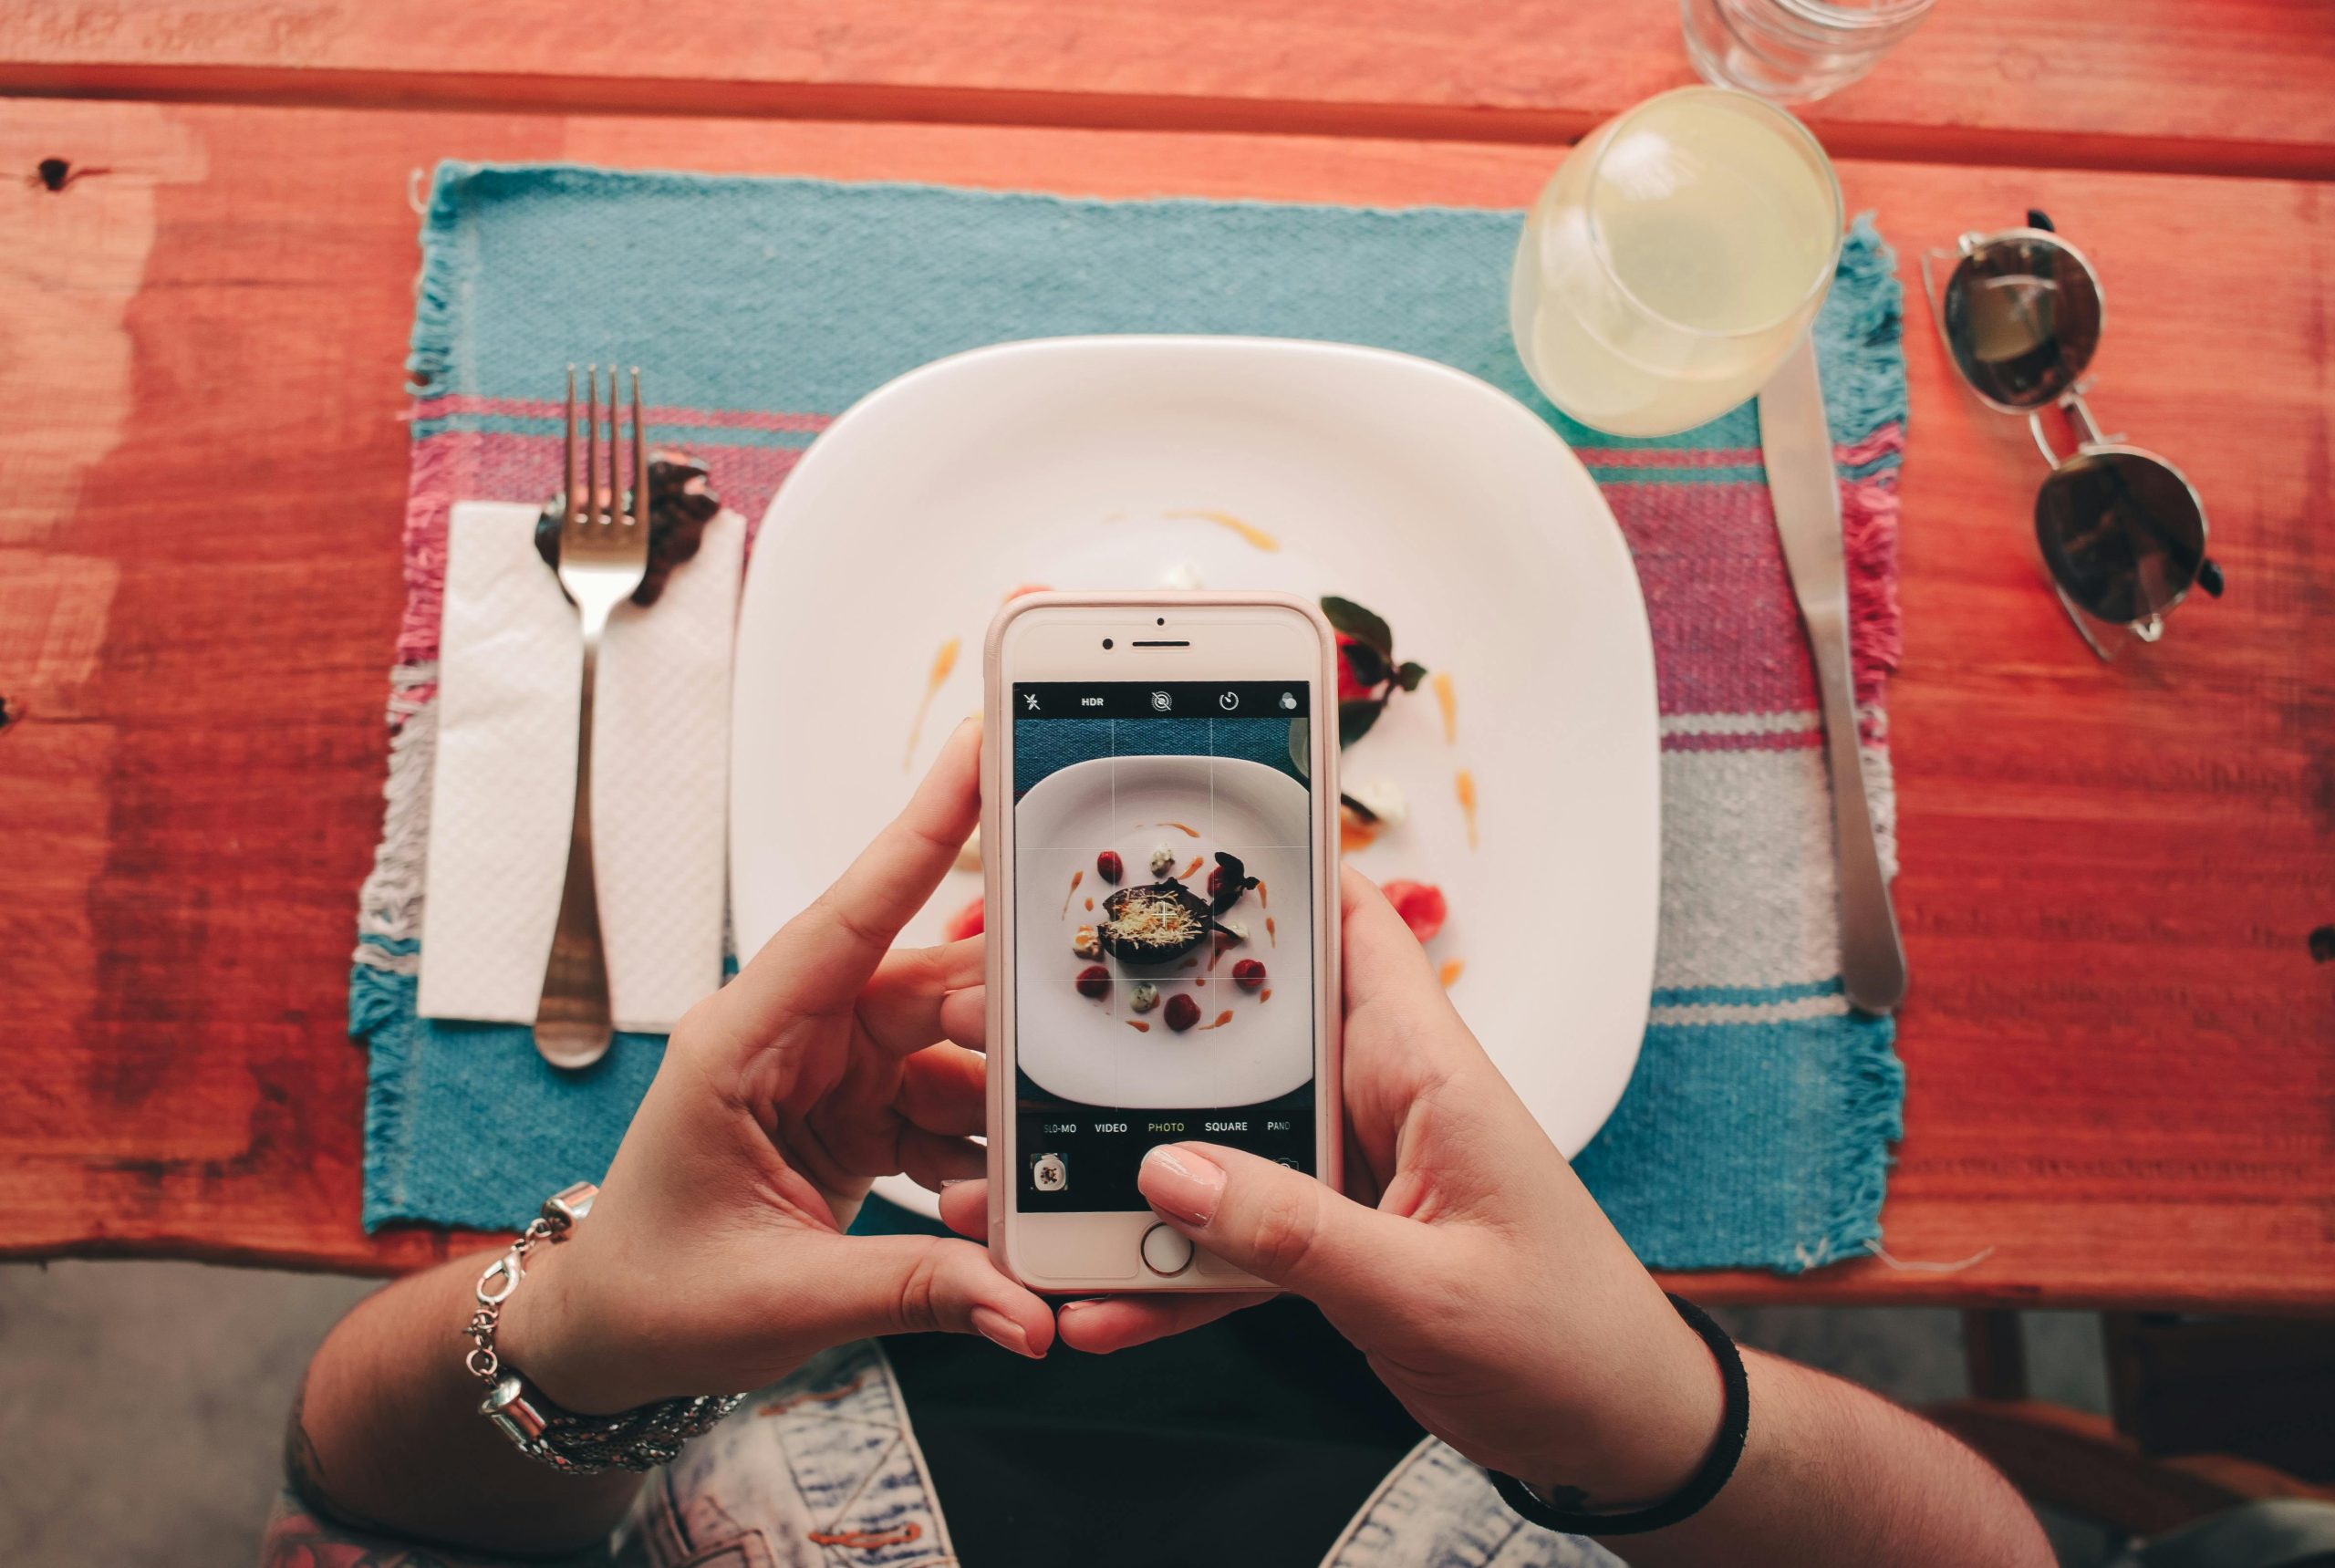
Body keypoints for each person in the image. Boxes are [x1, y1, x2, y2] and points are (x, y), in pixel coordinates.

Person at [268, 722, 2052, 1567]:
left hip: (810, 1334)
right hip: (1468, 1376)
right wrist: (1652, 1416)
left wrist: (583, 1332)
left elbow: (354, 1474)